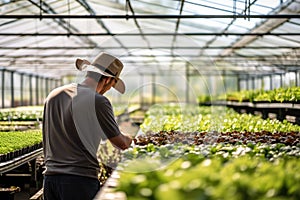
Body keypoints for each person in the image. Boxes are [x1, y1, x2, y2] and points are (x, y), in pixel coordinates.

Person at [42, 52, 133, 200]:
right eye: (112, 85)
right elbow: (120, 143)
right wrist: (131, 138)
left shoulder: (54, 95)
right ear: (108, 80)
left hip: (50, 179)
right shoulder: (98, 101)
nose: (109, 89)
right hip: (79, 181)